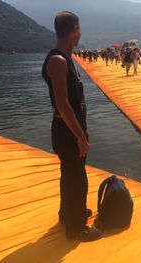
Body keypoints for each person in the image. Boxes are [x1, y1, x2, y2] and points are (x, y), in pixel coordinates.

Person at [41, 11, 102, 241]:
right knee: (77, 177)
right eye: (79, 29)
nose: (80, 34)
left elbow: (75, 103)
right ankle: (76, 227)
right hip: (66, 131)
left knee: (70, 173)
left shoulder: (66, 58)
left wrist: (83, 128)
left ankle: (68, 213)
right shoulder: (57, 61)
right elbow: (63, 105)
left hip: (72, 129)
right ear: (74, 29)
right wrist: (80, 136)